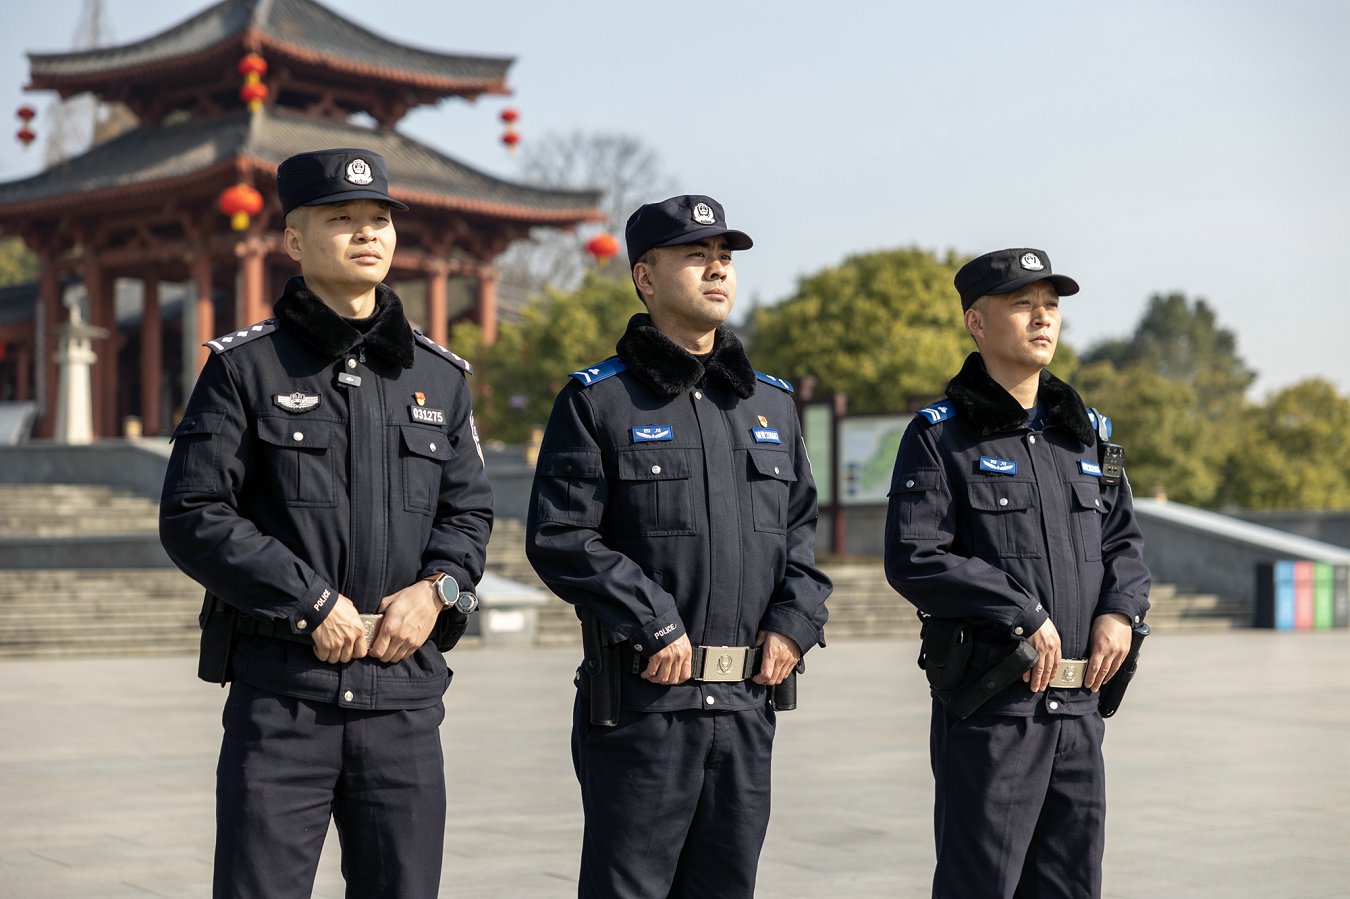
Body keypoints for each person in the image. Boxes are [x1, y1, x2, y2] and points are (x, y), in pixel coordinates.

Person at [159, 148, 492, 899]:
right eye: (342, 218)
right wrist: (308, 600)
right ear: (293, 240)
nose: (367, 233)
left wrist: (438, 589)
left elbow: (468, 511)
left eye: (379, 219)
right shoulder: (244, 369)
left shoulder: (439, 377)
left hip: (403, 698)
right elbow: (193, 512)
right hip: (284, 696)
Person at [525, 194, 832, 898]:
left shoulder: (770, 405)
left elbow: (800, 535)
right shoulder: (599, 401)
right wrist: (652, 617)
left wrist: (795, 622)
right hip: (646, 704)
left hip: (747, 703)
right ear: (645, 276)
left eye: (724, 258)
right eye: (696, 256)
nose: (717, 270)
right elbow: (561, 535)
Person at [884, 248, 1151, 899]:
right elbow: (915, 553)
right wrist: (1019, 610)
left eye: (1051, 305)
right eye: (1022, 304)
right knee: (982, 884)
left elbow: (1123, 540)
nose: (1043, 318)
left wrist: (1121, 611)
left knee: (1071, 885)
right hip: (995, 707)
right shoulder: (939, 436)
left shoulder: (1090, 436)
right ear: (976, 322)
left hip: (1079, 707)